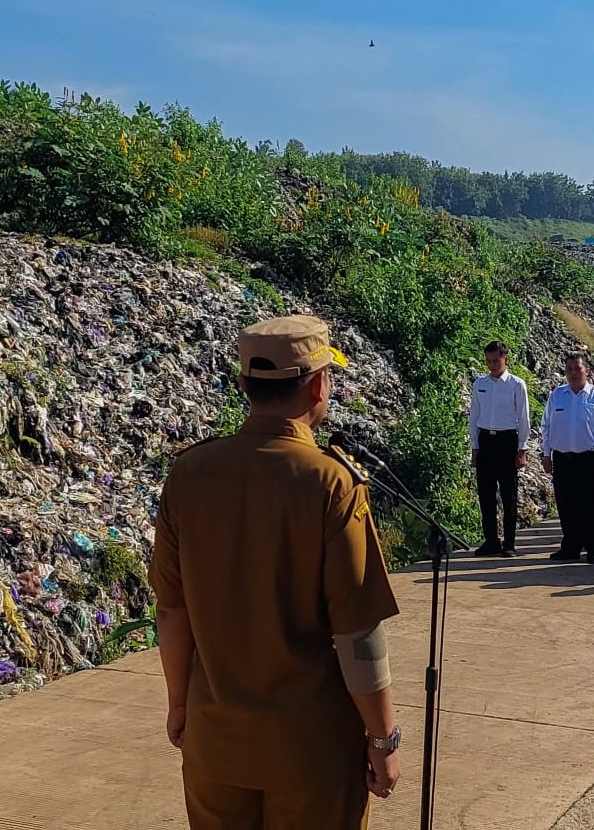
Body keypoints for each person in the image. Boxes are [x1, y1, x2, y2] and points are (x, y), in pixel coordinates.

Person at [150, 315, 401, 830]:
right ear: (318, 386)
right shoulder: (331, 483)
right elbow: (356, 633)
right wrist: (382, 737)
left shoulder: (190, 474)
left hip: (216, 743)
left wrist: (181, 705)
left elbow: (172, 611)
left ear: (244, 384)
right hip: (311, 751)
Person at [542, 353, 594, 565]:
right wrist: (546, 454)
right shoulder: (557, 395)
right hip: (563, 459)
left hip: (592, 459)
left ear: (587, 371)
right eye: (570, 369)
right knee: (567, 505)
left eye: (578, 368)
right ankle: (571, 547)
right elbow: (546, 426)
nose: (573, 373)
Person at [468, 340, 531, 559]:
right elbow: (474, 415)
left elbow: (523, 418)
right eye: (489, 361)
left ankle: (509, 543)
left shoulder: (516, 384)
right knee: (486, 494)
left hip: (507, 441)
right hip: (486, 440)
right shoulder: (480, 384)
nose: (492, 365)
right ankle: (491, 540)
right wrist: (474, 446)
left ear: (505, 360)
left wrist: (522, 448)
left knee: (508, 495)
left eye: (496, 361)